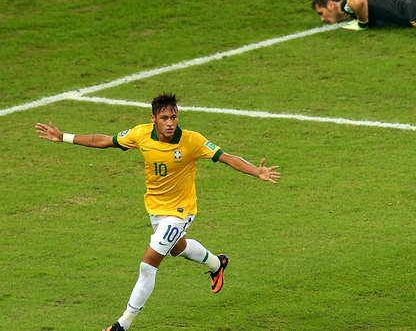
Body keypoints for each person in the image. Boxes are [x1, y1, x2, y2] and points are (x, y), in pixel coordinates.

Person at [35, 93, 281, 331]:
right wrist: (63, 137)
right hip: (156, 209)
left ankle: (123, 324)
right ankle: (218, 263)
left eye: (174, 117)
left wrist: (256, 171)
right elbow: (103, 141)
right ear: (154, 118)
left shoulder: (192, 141)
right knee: (177, 248)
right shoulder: (140, 134)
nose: (171, 123)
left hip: (180, 211)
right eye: (165, 118)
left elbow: (226, 157)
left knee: (148, 265)